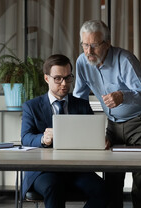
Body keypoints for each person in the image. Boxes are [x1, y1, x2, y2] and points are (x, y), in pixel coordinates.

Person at [73, 20, 141, 208]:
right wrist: (88, 131)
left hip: (140, 122)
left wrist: (123, 96)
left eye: (94, 45)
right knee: (112, 178)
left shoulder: (125, 60)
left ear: (107, 43)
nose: (89, 51)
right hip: (112, 124)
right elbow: (79, 99)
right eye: (85, 45)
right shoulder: (82, 62)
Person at [21, 54, 107, 208]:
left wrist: (101, 139)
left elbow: (92, 135)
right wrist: (43, 139)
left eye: (68, 78)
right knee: (54, 187)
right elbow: (25, 138)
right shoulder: (32, 106)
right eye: (58, 78)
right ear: (47, 78)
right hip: (44, 171)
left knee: (103, 189)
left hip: (76, 168)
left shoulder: (82, 105)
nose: (64, 83)